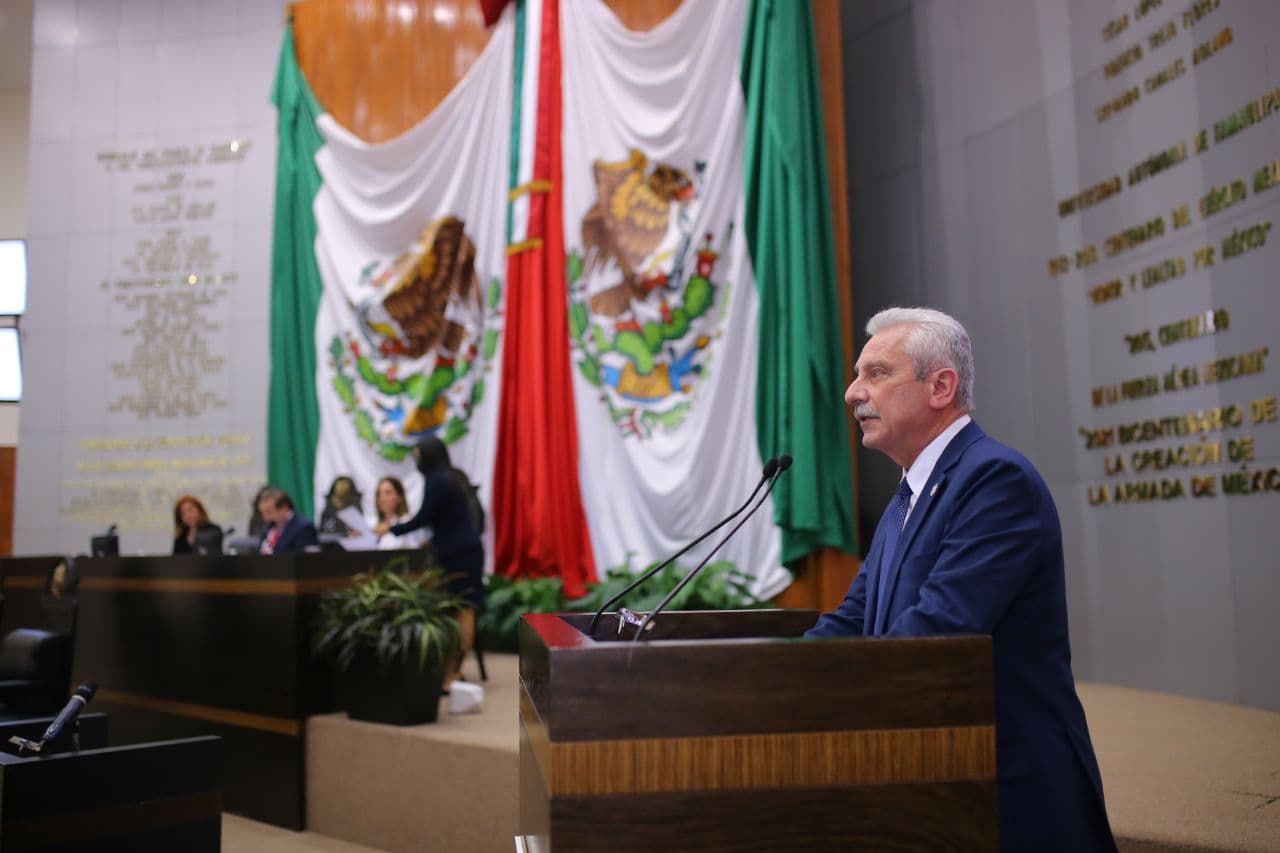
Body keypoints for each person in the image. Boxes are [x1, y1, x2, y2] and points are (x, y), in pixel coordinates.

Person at [806, 307, 1116, 853]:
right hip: (939, 780)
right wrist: (766, 670)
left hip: (1009, 793)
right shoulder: (908, 494)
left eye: (876, 373)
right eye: (857, 375)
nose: (853, 393)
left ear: (941, 387)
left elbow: (938, 630)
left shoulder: (994, 479)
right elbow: (854, 619)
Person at [374, 437, 484, 690]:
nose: (416, 461)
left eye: (418, 456)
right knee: (463, 610)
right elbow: (448, 520)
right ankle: (453, 670)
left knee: (462, 610)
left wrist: (392, 529)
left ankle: (453, 673)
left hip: (459, 555)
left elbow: (425, 516)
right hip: (465, 550)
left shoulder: (437, 481)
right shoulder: (451, 477)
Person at [257, 487, 320, 554]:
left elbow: (311, 557)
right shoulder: (267, 528)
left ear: (284, 508)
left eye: (268, 512)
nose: (264, 517)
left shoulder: (304, 527)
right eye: (262, 513)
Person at [371, 476, 427, 550]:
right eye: (379, 494)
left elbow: (415, 550)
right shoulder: (374, 525)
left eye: (388, 493)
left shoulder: (407, 522)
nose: (382, 498)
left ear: (400, 497)